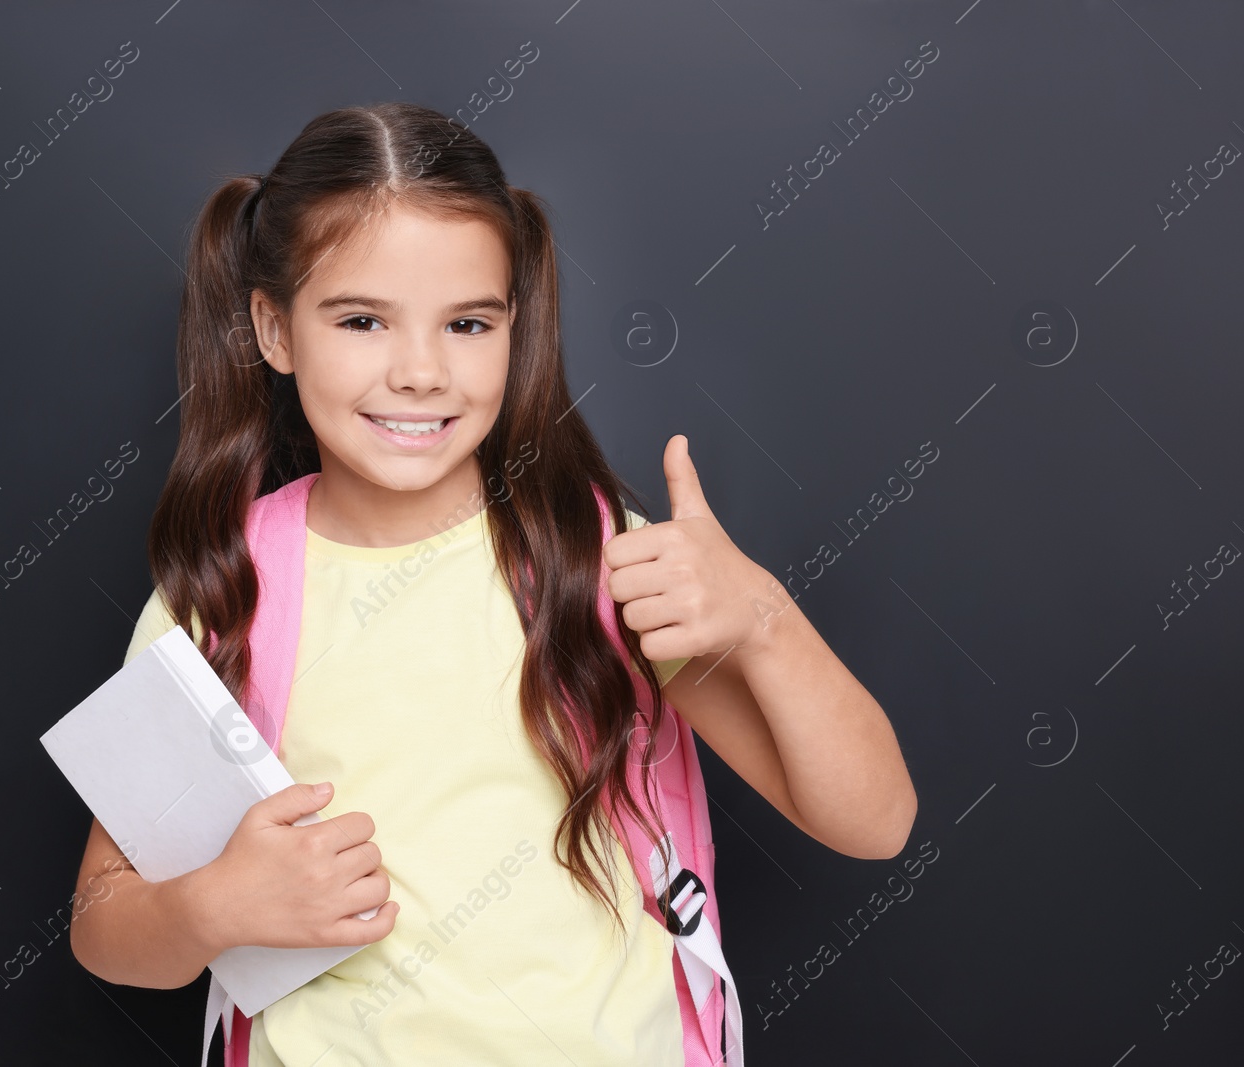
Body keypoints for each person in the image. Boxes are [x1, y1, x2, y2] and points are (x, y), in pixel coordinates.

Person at [68, 101, 917, 1065]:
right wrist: (212, 903)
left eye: (468, 322)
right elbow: (104, 927)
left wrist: (764, 618)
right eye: (361, 319)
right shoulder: (222, 593)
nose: (422, 371)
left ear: (516, 326)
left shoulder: (597, 557)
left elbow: (875, 823)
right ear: (274, 328)